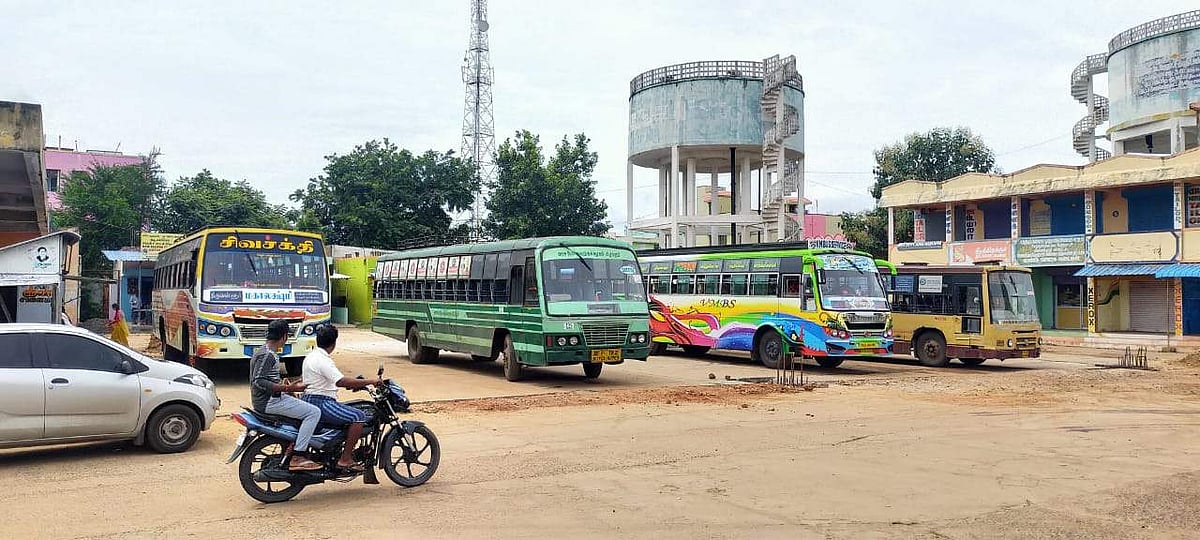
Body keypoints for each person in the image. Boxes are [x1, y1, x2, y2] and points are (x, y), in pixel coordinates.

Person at [302, 325, 381, 472]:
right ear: (334, 343)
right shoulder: (322, 360)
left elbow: (335, 380)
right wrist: (371, 381)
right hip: (321, 402)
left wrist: (356, 384)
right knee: (358, 416)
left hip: (311, 399)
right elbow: (341, 381)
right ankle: (345, 459)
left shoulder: (312, 356)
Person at [250, 320, 322, 472]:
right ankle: (298, 456)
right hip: (268, 402)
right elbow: (259, 381)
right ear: (284, 336)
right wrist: (289, 388)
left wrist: (286, 386)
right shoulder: (268, 355)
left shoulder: (264, 351)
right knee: (314, 412)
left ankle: (293, 446)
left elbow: (267, 379)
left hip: (270, 399)